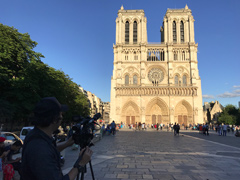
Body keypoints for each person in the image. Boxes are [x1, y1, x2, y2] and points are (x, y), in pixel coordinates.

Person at [21, 97, 93, 180]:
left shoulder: (36, 134)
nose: (62, 117)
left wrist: (66, 144)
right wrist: (80, 164)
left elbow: (50, 150)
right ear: (54, 119)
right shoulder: (39, 148)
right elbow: (44, 153)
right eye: (60, 114)